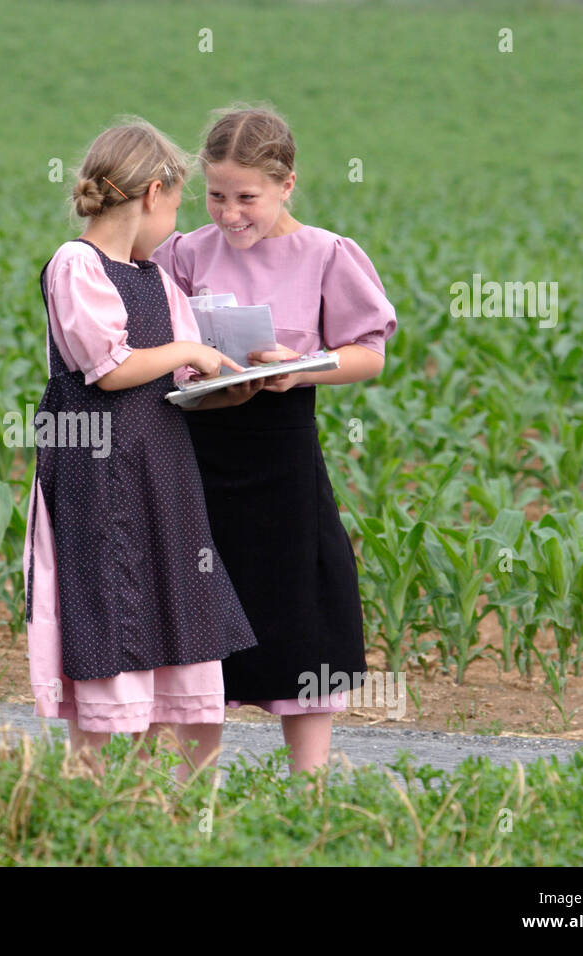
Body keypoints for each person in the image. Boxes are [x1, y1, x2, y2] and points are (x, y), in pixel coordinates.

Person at [152, 104, 398, 778]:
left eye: (247, 198)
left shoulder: (326, 253)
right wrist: (197, 367)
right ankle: (192, 778)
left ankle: (308, 782)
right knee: (200, 606)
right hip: (199, 445)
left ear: (287, 184)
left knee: (300, 602)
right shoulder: (184, 252)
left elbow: (368, 353)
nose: (230, 214)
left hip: (281, 447)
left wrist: (297, 371)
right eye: (217, 195)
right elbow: (160, 345)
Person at [22, 118, 259, 783]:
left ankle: (180, 801)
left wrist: (232, 385)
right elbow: (110, 367)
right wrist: (188, 351)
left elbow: (180, 377)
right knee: (113, 603)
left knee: (179, 601)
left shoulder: (155, 279)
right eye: (179, 203)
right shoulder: (77, 264)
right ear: (153, 192)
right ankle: (90, 785)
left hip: (162, 469)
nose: (176, 220)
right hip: (98, 475)